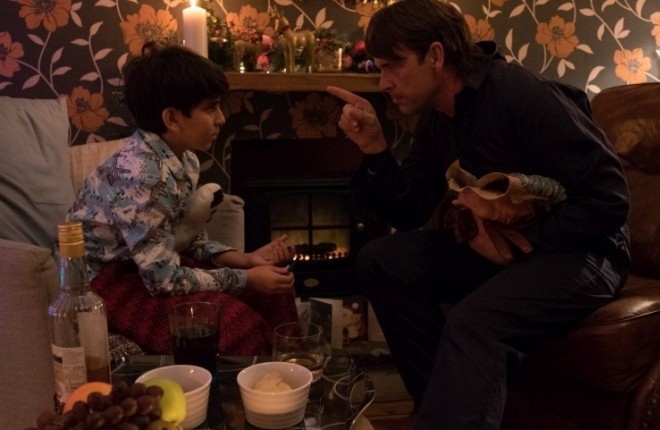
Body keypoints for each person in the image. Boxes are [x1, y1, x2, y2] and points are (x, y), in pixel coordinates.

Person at [326, 0, 630, 428]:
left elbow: (610, 199)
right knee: (381, 260)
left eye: (393, 66)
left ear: (435, 55)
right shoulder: (438, 117)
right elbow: (411, 209)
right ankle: (440, 412)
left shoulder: (519, 93)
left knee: (473, 322)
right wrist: (376, 148)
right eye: (380, 68)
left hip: (585, 252)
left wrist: (527, 240)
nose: (384, 82)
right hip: (504, 249)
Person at [67, 42, 296, 354]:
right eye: (210, 108)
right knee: (236, 327)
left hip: (148, 264)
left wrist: (245, 260)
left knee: (274, 291)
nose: (221, 119)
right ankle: (242, 383)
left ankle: (285, 373)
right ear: (172, 119)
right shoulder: (142, 177)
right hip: (104, 279)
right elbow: (162, 280)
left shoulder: (183, 160)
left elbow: (186, 238)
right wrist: (246, 278)